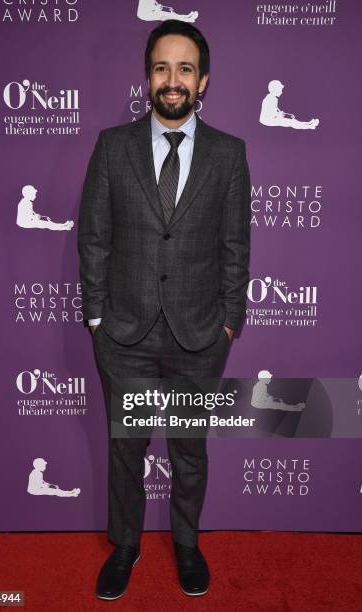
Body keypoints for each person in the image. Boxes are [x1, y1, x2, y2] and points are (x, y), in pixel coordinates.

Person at [77, 19, 251, 600]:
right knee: (126, 451)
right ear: (147, 77)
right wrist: (97, 319)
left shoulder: (229, 155)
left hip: (199, 335)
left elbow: (235, 247)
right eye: (161, 67)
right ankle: (124, 546)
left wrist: (229, 322)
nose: (171, 80)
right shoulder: (112, 146)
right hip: (124, 334)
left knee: (189, 451)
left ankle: (185, 544)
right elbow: (94, 238)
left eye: (184, 69)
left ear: (202, 81)